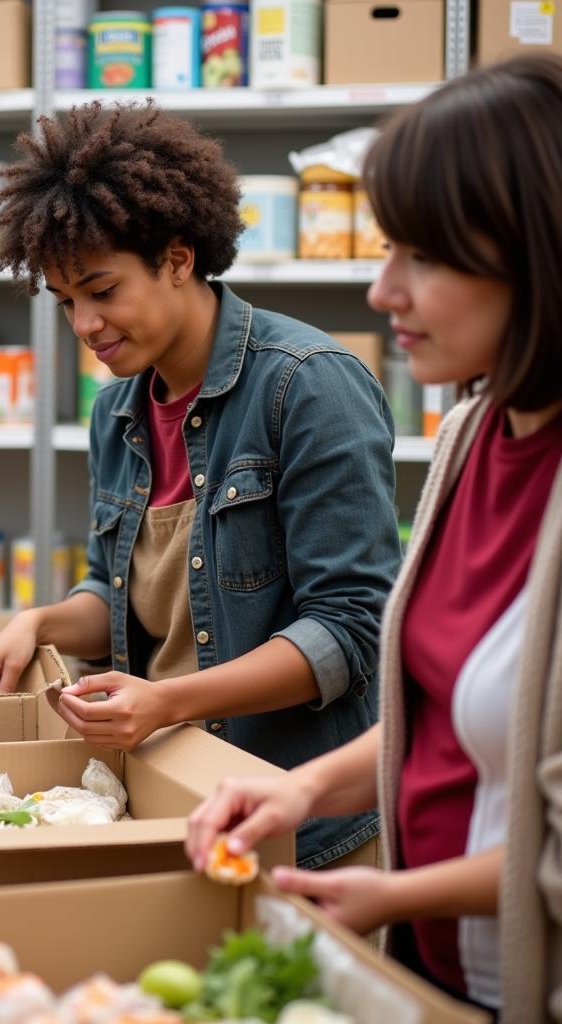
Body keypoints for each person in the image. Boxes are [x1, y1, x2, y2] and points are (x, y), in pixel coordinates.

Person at [185, 53, 562, 1020]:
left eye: (424, 257)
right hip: (431, 965)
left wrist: (390, 894)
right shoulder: (473, 435)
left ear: (539, 255)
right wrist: (300, 793)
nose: (381, 293)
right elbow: (445, 722)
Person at [0, 102, 402, 871]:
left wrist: (168, 701)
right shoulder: (118, 412)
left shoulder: (305, 387)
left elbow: (351, 631)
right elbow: (119, 594)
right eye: (67, 301)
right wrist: (38, 624)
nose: (85, 324)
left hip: (302, 821)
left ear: (177, 257)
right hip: (169, 795)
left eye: (102, 290)